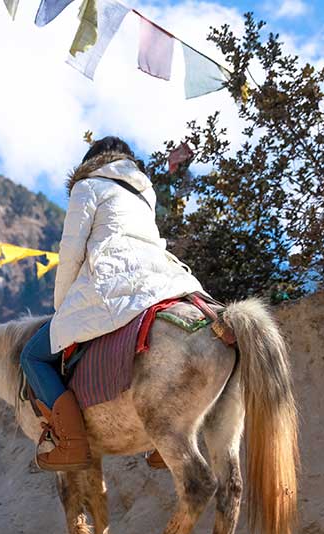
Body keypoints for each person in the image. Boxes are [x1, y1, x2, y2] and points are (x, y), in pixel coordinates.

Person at [20, 136, 205, 471]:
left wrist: (63, 312)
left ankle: (71, 444)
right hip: (167, 282)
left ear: (92, 160)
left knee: (32, 356)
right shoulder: (144, 194)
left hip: (110, 283)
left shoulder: (87, 186)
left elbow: (72, 253)